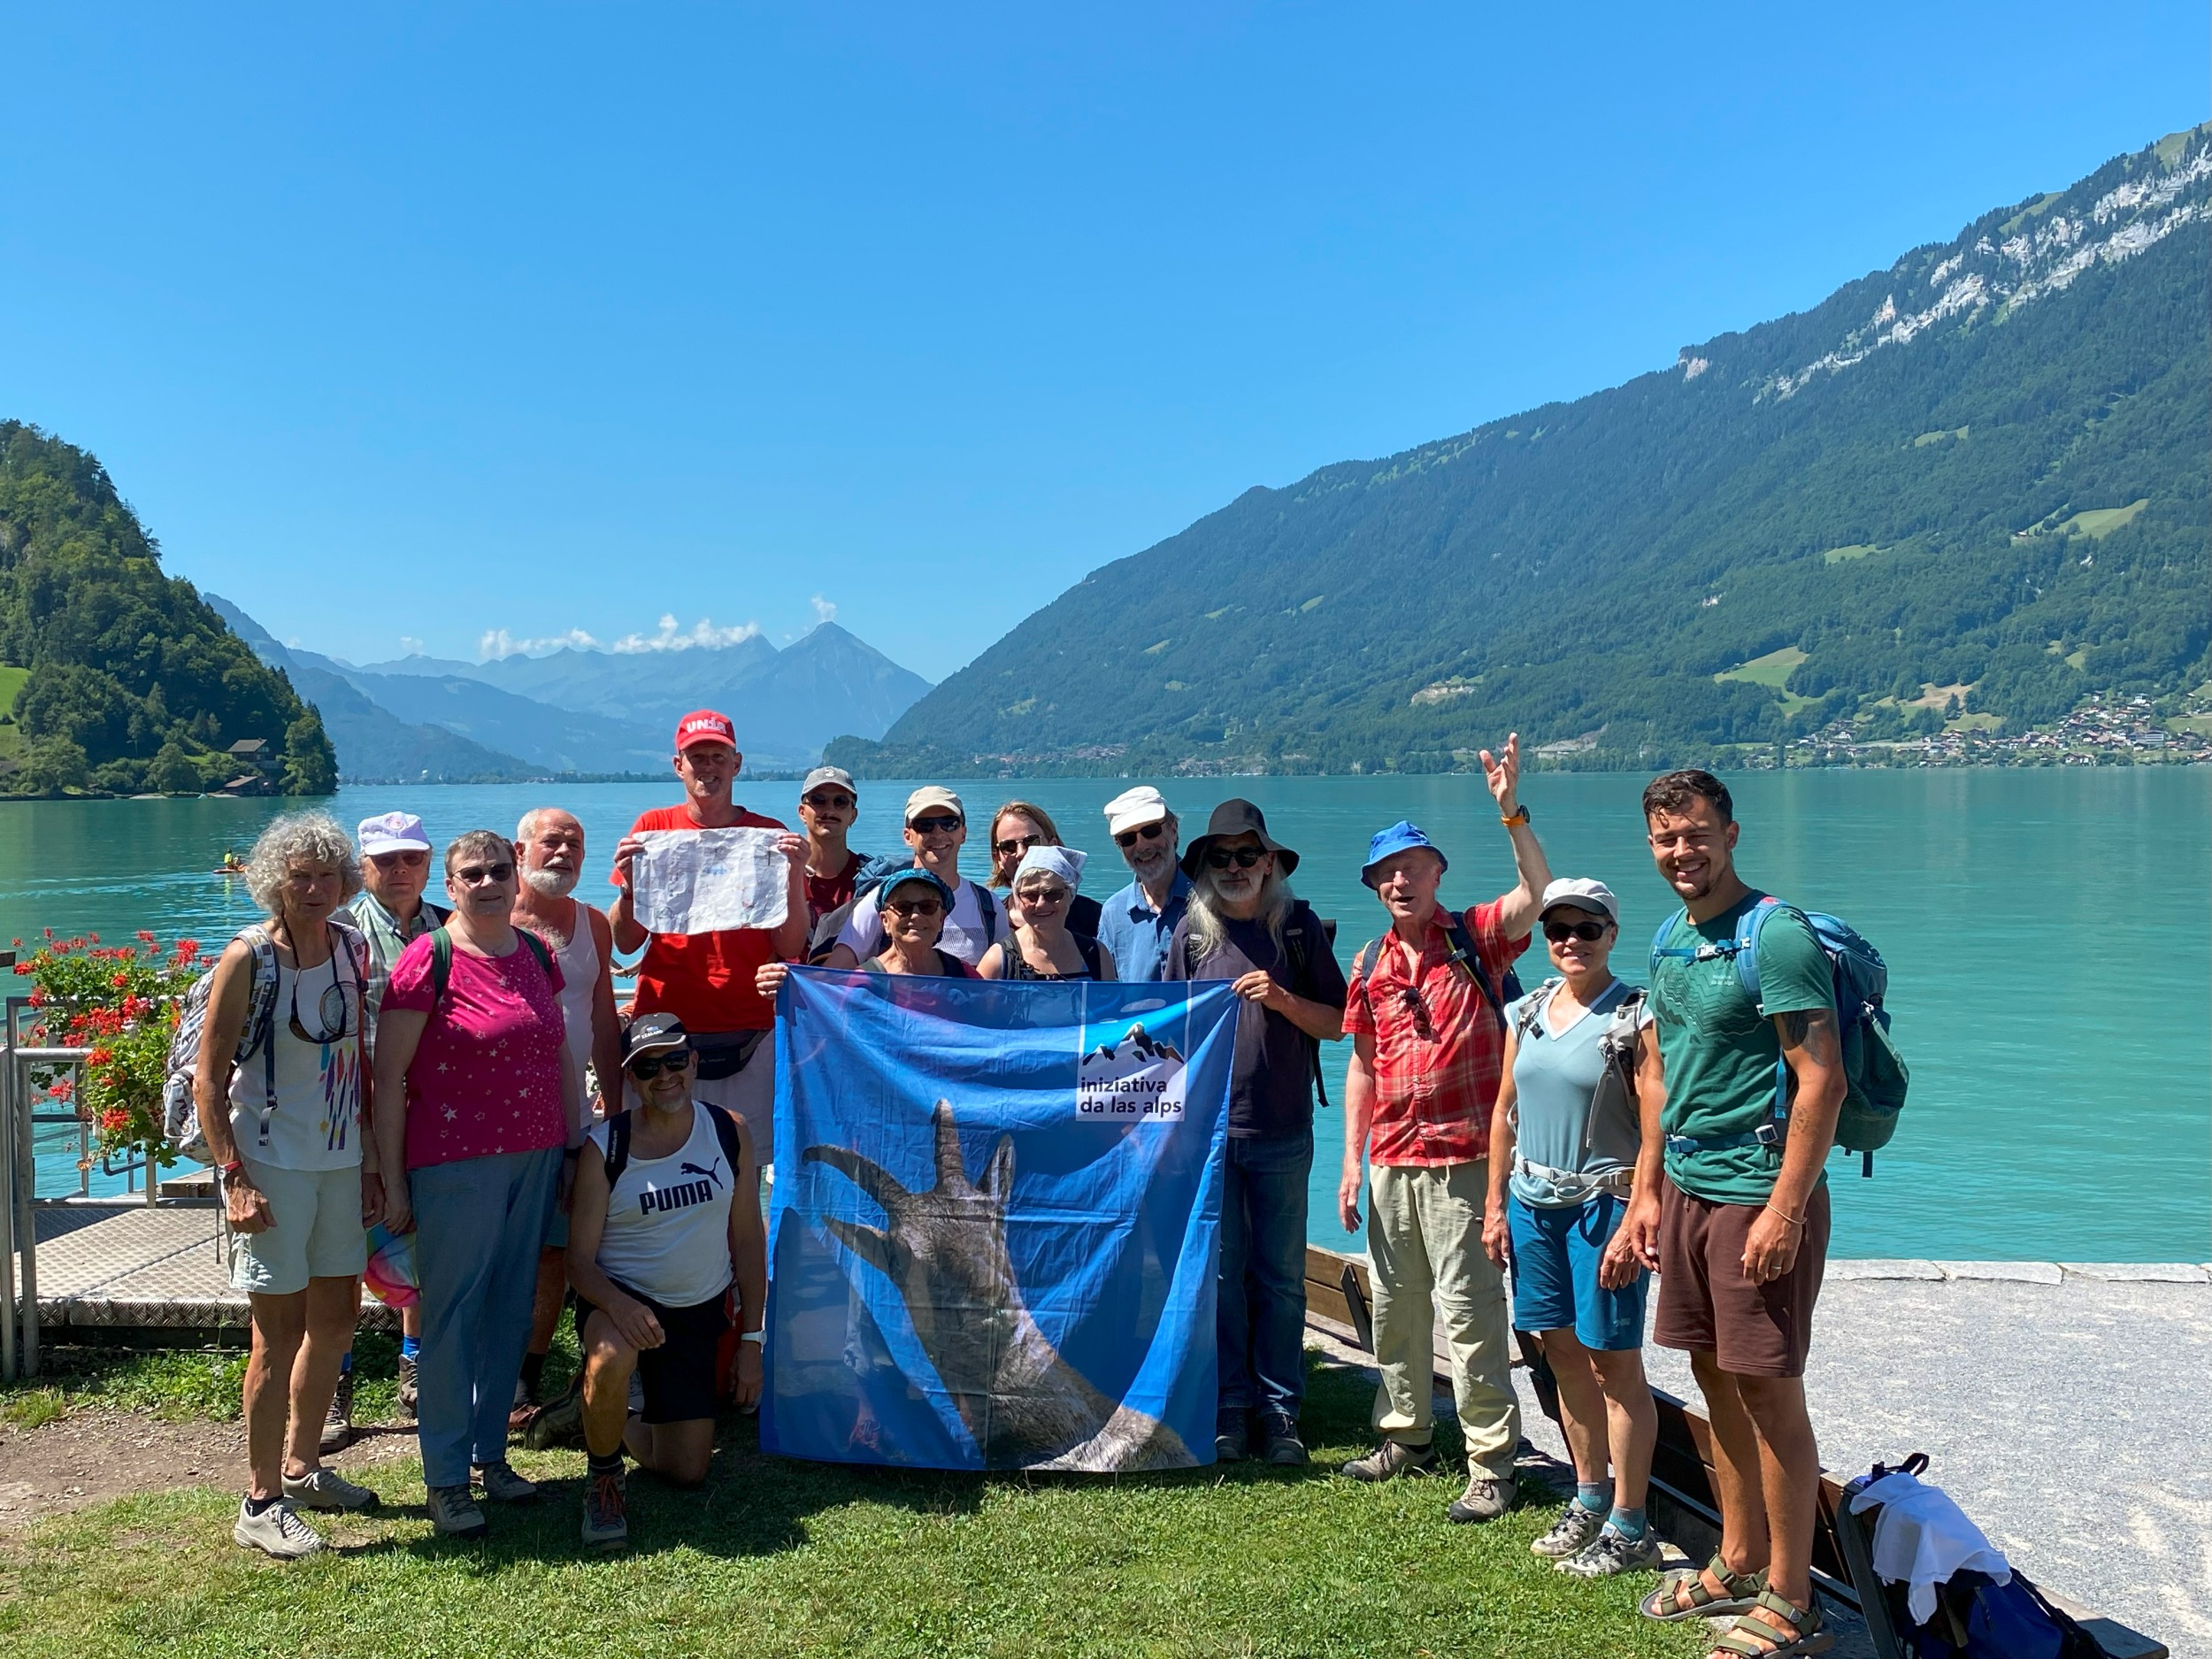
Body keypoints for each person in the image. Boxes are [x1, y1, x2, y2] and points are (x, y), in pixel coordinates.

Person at [1614, 771, 1845, 1654]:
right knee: (1711, 1373)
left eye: (1698, 834)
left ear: (1731, 833)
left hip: (1756, 1189)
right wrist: (1645, 1190)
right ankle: (1740, 1552)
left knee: (1768, 1387)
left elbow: (1822, 1079)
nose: (1684, 852)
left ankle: (1793, 1597)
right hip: (1685, 1185)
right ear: (1651, 845)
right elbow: (1662, 1075)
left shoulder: (1774, 936)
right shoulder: (1670, 936)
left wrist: (1784, 1212)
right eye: (1667, 839)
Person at [1336, 736, 1551, 1524]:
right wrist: (1352, 1161)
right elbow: (1362, 1065)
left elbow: (1541, 889)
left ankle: (1492, 1461)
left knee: (1469, 1310)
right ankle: (1406, 1434)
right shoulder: (1369, 963)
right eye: (1386, 872)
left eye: (1413, 867)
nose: (1400, 880)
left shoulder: (1478, 937)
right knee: (1396, 1305)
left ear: (1437, 875)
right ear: (1374, 885)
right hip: (1392, 1156)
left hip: (1467, 1155)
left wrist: (1510, 811)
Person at [373, 830, 581, 1539]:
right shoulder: (423, 960)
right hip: (453, 1162)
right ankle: (444, 1477)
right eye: (473, 873)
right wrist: (394, 1182)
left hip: (536, 1155)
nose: (488, 881)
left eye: (499, 869)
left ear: (515, 874)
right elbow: (389, 1080)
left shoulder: (537, 955)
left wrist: (573, 1142)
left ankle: (491, 1457)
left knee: (508, 1310)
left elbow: (557, 1052)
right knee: (453, 1316)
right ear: (452, 885)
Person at [193, 811, 380, 1557]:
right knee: (276, 1335)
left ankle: (302, 1469)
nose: (312, 888)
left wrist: (370, 1163)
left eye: (326, 875)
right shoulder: (248, 957)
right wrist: (234, 1178)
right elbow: (210, 1079)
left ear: (344, 881)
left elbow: (359, 1058)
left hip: (339, 1159)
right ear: (274, 880)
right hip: (269, 1163)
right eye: (299, 876)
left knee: (337, 1318)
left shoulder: (353, 946)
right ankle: (260, 1497)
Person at [1480, 877, 1662, 1579]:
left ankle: (1630, 1520)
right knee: (1560, 1354)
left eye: (1587, 928)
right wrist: (1496, 1205)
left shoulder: (1636, 1017)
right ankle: (1589, 1497)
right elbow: (1503, 1111)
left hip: (1603, 1209)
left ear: (1612, 934)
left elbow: (1657, 1128)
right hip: (1533, 1206)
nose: (1571, 941)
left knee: (1615, 1362)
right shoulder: (1523, 1012)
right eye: (1559, 928)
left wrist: (1636, 1216)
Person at [1166, 801, 1344, 1466]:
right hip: (1208, 1136)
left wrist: (1282, 998)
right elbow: (1162, 1034)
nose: (1237, 867)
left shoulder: (1296, 926)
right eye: (1223, 857)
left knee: (1281, 1279)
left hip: (1282, 1129)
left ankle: (1281, 1412)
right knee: (1221, 1276)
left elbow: (1336, 1021)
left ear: (1270, 861)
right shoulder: (1191, 932)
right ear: (1206, 866)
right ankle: (1230, 1408)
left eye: (1249, 854)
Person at [569, 1014, 765, 1550]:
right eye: (648, 1066)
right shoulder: (605, 1148)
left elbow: (748, 1241)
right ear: (631, 1078)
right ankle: (604, 1478)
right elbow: (579, 1265)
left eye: (675, 1060)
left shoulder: (730, 1130)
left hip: (696, 1312)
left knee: (687, 1471)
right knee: (610, 1355)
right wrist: (621, 1305)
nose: (665, 1075)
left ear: (694, 1063)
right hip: (620, 1303)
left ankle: (593, 1408)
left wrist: (752, 1342)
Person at [610, 710, 810, 1170]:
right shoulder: (651, 828)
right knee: (659, 1166)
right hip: (666, 1030)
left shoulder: (769, 835)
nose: (707, 767)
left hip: (750, 1031)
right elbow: (625, 941)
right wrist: (628, 884)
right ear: (677, 765)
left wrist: (795, 872)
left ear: (736, 764)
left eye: (717, 756)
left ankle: (743, 1245)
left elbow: (789, 942)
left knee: (745, 1168)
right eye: (696, 757)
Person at [332, 810, 449, 1441]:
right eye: (386, 860)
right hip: (350, 1115)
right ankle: (334, 1378)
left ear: (429, 863)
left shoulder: (449, 928)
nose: (400, 869)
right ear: (363, 867)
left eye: (411, 858)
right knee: (345, 1246)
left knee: (424, 1241)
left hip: (431, 1115)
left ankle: (416, 1366)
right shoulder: (340, 932)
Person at [511, 808, 625, 1421]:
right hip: (498, 1124)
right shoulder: (488, 917)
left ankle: (524, 1375)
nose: (562, 852)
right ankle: (480, 1364)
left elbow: (605, 1021)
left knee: (556, 1250)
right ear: (519, 848)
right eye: (551, 841)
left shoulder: (593, 924)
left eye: (575, 843)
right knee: (501, 1249)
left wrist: (619, 1107)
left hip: (573, 1117)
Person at [823, 787, 1006, 971]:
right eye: (924, 825)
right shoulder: (881, 900)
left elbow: (1006, 980)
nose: (937, 833)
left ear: (963, 833)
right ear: (908, 836)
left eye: (949, 823)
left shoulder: (989, 905)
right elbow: (834, 973)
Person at [763, 868, 977, 995]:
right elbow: (820, 1024)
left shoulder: (964, 976)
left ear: (941, 919)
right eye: (903, 907)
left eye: (928, 906)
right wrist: (785, 987)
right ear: (885, 921)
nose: (916, 915)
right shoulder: (862, 984)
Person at [1094, 787, 1191, 983]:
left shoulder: (1209, 899)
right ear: (1119, 846)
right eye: (1128, 838)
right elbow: (1107, 991)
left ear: (1173, 831)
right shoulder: (1113, 913)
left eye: (1150, 831)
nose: (1142, 846)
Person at [978, 846, 1116, 980]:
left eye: (1052, 894)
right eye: (1030, 895)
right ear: (1018, 899)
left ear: (1071, 895)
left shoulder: (1097, 956)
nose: (1041, 903)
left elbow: (1110, 1002)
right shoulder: (998, 960)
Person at [983, 800, 1102, 938]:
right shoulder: (989, 922)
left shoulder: (1092, 916)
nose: (1021, 852)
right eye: (1008, 846)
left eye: (1032, 842)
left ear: (1053, 846)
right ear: (998, 858)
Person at [797, 765, 867, 926]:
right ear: (802, 812)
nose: (829, 810)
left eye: (840, 802)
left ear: (853, 815)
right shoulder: (785, 874)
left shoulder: (869, 879)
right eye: (818, 800)